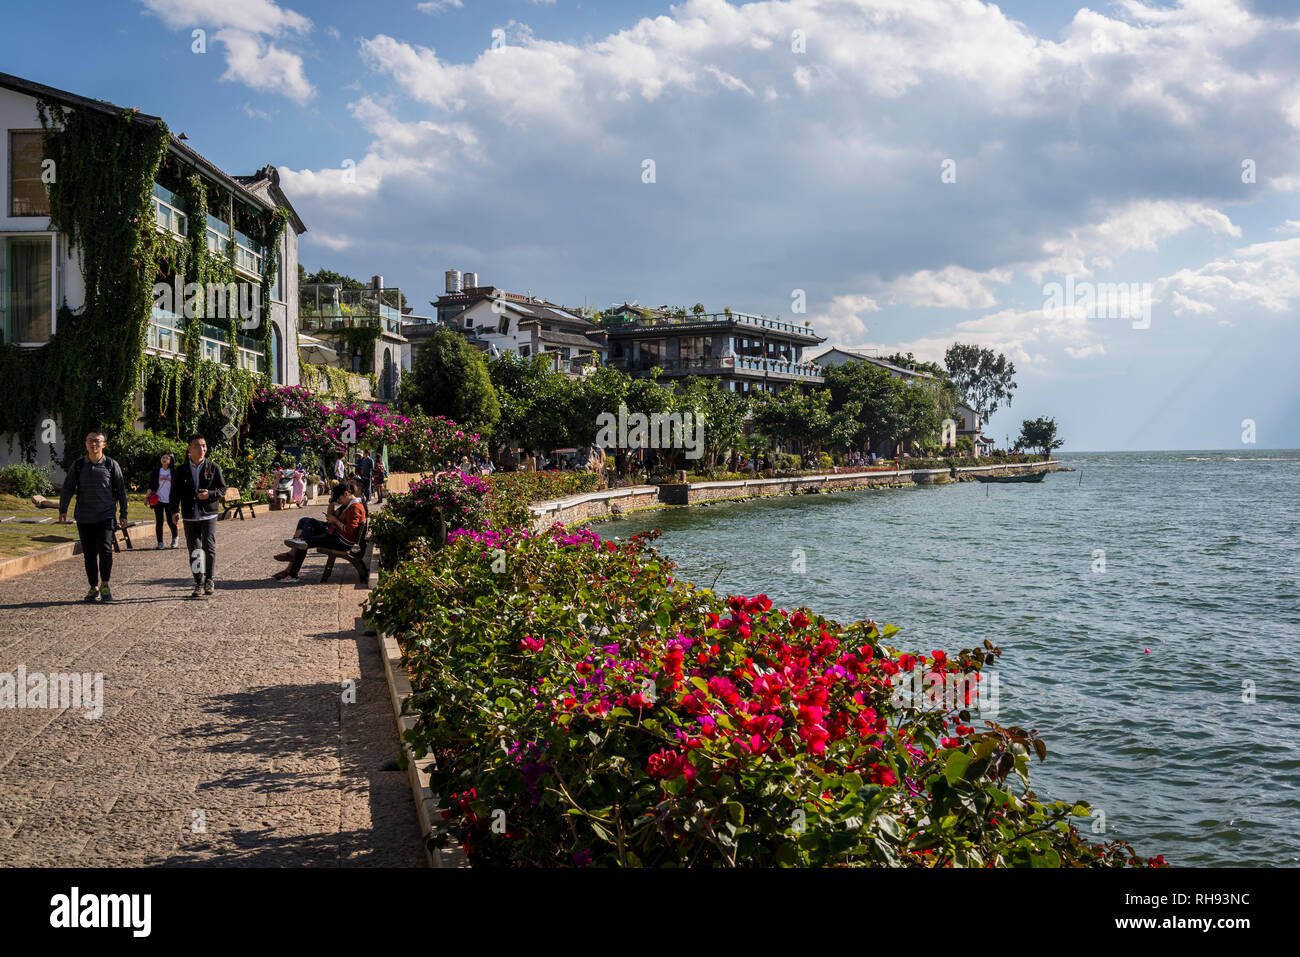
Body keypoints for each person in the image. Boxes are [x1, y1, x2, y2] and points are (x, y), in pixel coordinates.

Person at [58, 430, 129, 603]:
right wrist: (63, 509)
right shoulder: (79, 465)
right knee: (89, 554)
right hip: (84, 516)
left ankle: (105, 584)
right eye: (90, 441)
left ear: (104, 444)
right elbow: (68, 488)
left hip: (106, 516)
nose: (94, 444)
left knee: (105, 551)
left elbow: (121, 490)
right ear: (85, 443)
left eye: (97, 441)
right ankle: (93, 587)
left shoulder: (111, 465)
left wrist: (123, 514)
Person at [271, 481, 366, 580]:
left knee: (305, 540)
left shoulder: (355, 507)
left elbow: (349, 530)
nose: (340, 501)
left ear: (346, 494)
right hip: (338, 536)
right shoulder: (351, 504)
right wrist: (334, 519)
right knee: (308, 525)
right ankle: (293, 567)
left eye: (340, 499)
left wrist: (336, 521)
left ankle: (293, 569)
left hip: (341, 542)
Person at [173, 434, 226, 598]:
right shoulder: (181, 470)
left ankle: (209, 579)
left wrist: (209, 494)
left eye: (203, 446)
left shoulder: (213, 467)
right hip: (190, 515)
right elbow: (174, 493)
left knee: (208, 547)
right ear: (189, 449)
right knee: (194, 550)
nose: (201, 449)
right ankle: (198, 582)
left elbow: (222, 489)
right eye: (197, 446)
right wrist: (175, 510)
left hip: (208, 514)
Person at [146, 450, 181, 550]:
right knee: (159, 522)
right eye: (163, 457)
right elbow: (151, 486)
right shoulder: (156, 471)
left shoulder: (174, 471)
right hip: (158, 500)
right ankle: (160, 543)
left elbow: (178, 487)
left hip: (170, 501)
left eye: (167, 458)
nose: (165, 459)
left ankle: (175, 539)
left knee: (171, 521)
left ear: (171, 460)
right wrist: (146, 498)